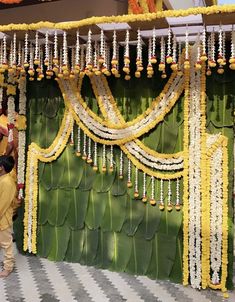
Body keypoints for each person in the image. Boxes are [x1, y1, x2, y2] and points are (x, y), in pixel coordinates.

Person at [0, 155, 18, 278]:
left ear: (1, 168)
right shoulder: (3, 179)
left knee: (6, 243)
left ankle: (8, 267)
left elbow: (3, 203)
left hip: (2, 218)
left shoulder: (7, 182)